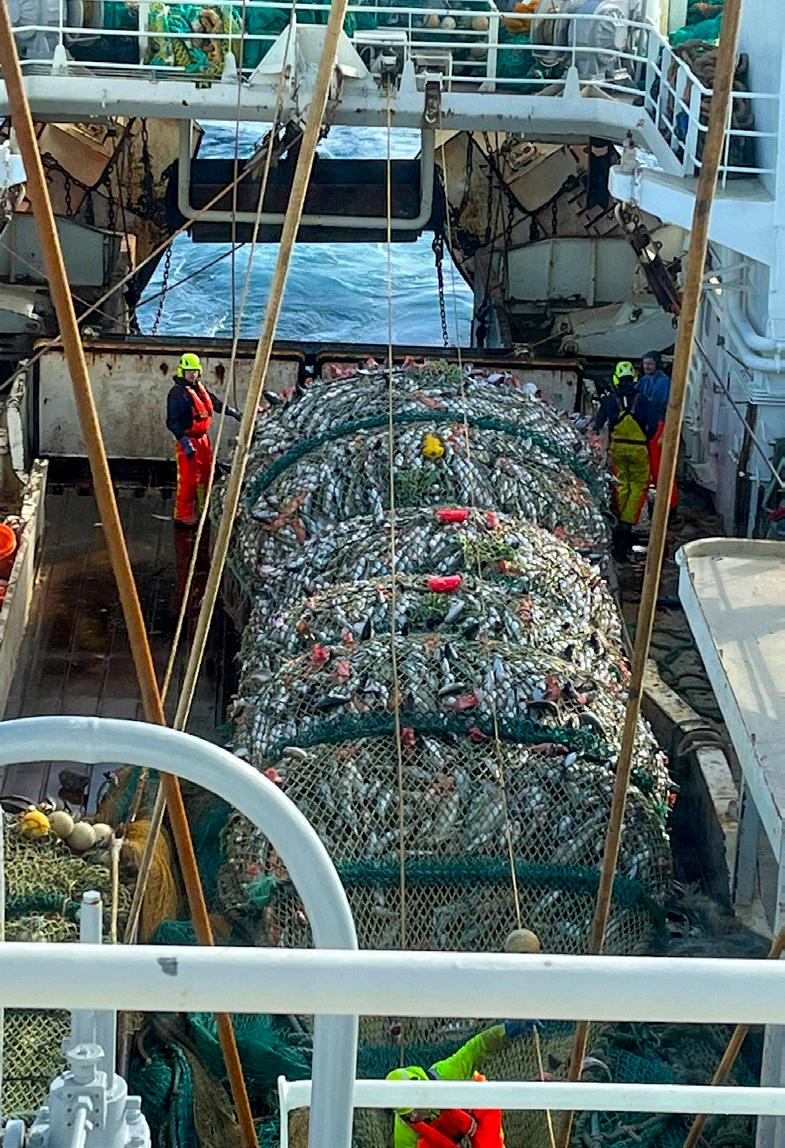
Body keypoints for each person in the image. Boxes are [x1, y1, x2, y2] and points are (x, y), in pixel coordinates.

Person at [387, 1019, 541, 1147]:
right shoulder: (405, 1131)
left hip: (476, 1105)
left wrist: (507, 1030)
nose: (414, 1116)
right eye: (406, 1115)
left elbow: (477, 1048)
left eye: (414, 1108)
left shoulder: (448, 1073)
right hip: (447, 1134)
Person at [166, 352, 240, 526]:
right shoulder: (177, 394)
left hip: (203, 440)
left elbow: (215, 403)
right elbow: (172, 422)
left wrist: (233, 413)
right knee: (188, 479)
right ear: (182, 371)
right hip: (188, 441)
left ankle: (203, 508)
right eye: (189, 371)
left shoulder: (200, 389)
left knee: (206, 475)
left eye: (195, 371)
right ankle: (183, 515)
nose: (192, 374)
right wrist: (184, 442)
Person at [593, 363, 657, 561]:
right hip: (638, 449)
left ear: (616, 378)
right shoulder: (643, 400)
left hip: (618, 449)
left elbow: (598, 424)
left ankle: (620, 522)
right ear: (634, 378)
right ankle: (627, 524)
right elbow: (653, 426)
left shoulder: (609, 400)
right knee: (638, 486)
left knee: (620, 484)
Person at [638, 351, 677, 510]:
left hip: (659, 425)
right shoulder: (644, 380)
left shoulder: (664, 382)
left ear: (657, 365)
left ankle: (670, 504)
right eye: (645, 363)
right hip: (649, 425)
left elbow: (666, 406)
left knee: (660, 466)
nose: (646, 367)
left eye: (650, 364)